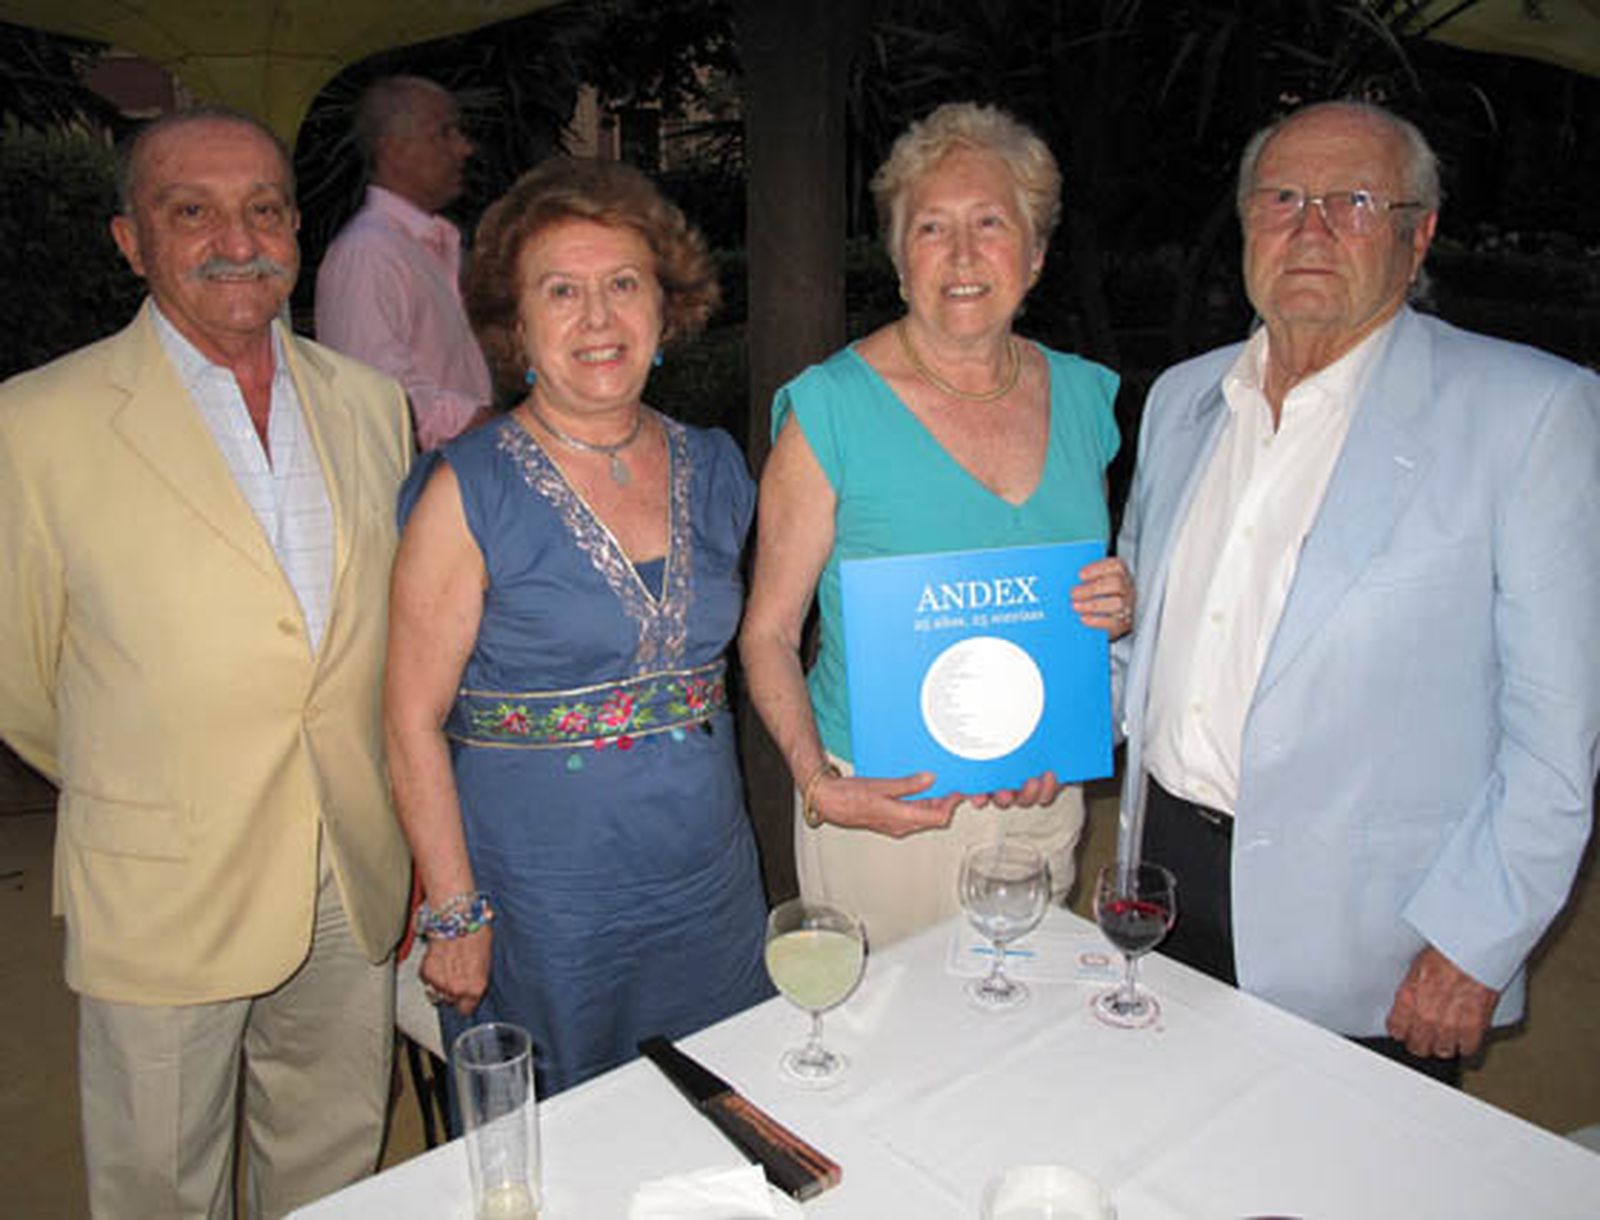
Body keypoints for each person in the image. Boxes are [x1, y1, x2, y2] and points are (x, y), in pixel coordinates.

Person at [1115, 100, 1599, 1081]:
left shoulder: (1531, 412)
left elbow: (1557, 735)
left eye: (1355, 201)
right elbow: (1141, 643)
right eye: (1283, 197)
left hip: (1371, 934)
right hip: (1166, 878)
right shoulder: (1181, 400)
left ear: (1418, 234)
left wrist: (1473, 940)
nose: (1311, 226)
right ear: (1246, 222)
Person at [0, 109, 413, 1217]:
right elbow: (19, 679)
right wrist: (150, 771)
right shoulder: (34, 424)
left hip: (346, 863)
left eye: (264, 208)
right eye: (193, 211)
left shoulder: (371, 406)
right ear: (131, 239)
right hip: (163, 880)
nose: (238, 238)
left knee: (333, 1163)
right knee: (158, 1190)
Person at [384, 156, 771, 1097]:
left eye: (623, 286)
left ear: (664, 308)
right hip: (542, 904)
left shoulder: (719, 468)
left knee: (725, 1117)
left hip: (709, 886)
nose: (597, 319)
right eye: (562, 291)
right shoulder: (465, 489)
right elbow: (406, 721)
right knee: (564, 1149)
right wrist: (455, 911)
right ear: (517, 326)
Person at [740, 102, 1134, 949]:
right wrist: (817, 782)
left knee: (1023, 1036)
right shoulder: (832, 410)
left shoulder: (1084, 401)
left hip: (1038, 790)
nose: (961, 254)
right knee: (887, 1058)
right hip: (888, 807)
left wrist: (1115, 604)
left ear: (1034, 254)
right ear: (898, 258)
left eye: (990, 223)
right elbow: (768, 632)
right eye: (931, 228)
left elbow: (1075, 592)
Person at [316, 75, 492, 450]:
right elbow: (376, 392)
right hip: (415, 489)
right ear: (394, 151)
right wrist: (487, 427)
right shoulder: (368, 253)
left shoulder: (427, 247)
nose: (464, 148)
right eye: (444, 133)